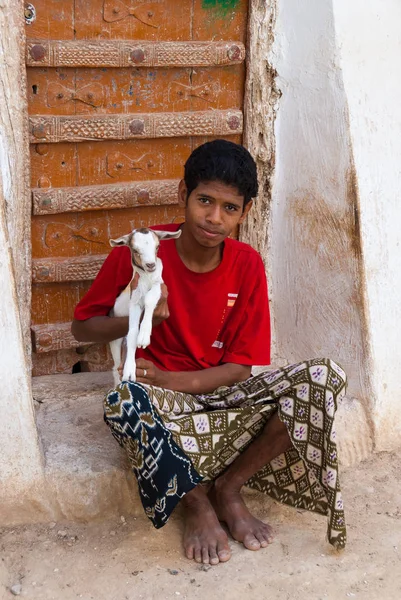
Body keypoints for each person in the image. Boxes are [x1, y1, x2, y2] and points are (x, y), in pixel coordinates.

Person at [71, 139, 347, 565]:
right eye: (204, 201)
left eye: (229, 208)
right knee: (124, 402)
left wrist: (173, 379)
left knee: (323, 376)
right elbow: (81, 327)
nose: (214, 218)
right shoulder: (140, 255)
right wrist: (144, 319)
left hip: (220, 401)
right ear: (184, 195)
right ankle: (197, 503)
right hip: (163, 409)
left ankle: (229, 488)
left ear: (246, 211)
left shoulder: (246, 263)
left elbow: (240, 368)